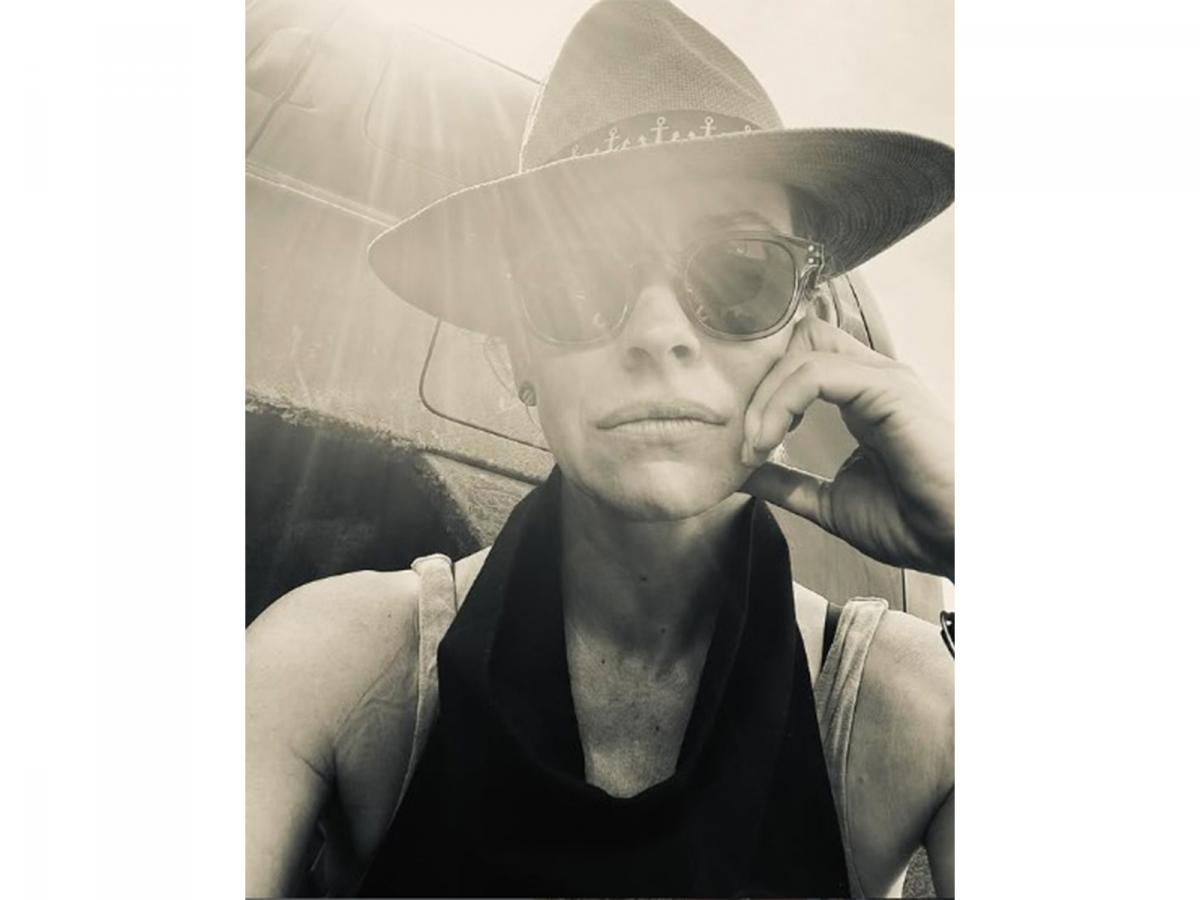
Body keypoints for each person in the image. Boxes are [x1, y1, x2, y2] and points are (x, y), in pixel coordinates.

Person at [246, 1, 954, 896]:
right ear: (517, 355)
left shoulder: (907, 707)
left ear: (808, 330)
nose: (658, 333)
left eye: (741, 270)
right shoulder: (334, 666)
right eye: (578, 277)